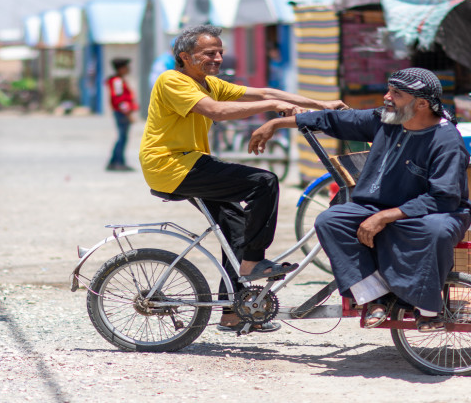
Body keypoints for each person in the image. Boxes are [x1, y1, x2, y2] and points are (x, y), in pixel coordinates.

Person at [138, 24, 347, 333]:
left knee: (237, 228)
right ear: (185, 56)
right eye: (209, 53)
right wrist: (274, 108)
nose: (218, 58)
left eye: (220, 52)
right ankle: (253, 263)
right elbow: (217, 112)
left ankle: (233, 312)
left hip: (192, 163)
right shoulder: (173, 81)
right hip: (171, 166)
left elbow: (266, 91)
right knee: (263, 182)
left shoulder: (207, 82)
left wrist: (322, 104)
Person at [249, 67, 471, 332]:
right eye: (389, 90)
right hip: (376, 205)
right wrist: (274, 123)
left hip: (434, 211)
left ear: (422, 103)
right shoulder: (385, 120)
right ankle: (375, 298)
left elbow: (444, 198)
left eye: (396, 94)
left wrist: (384, 217)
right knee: (330, 220)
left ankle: (428, 311)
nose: (386, 97)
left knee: (433, 231)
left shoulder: (446, 140)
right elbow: (333, 120)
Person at [106, 58, 137, 171]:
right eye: (126, 67)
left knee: (122, 137)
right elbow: (119, 100)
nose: (128, 69)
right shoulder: (117, 81)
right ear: (121, 69)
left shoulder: (119, 80)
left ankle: (114, 161)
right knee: (122, 137)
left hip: (122, 112)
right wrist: (128, 114)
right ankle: (118, 162)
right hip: (121, 113)